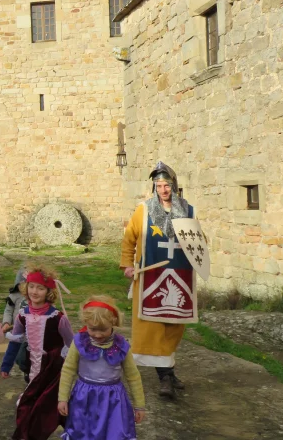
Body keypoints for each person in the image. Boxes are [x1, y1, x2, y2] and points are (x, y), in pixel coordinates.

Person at [120, 161, 196, 399]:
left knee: (173, 328)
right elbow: (129, 239)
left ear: (174, 186)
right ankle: (164, 378)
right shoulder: (144, 210)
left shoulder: (188, 210)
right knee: (152, 329)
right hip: (150, 277)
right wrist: (127, 265)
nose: (163, 189)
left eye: (167, 185)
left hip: (179, 275)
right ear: (154, 186)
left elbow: (197, 240)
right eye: (159, 185)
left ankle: (170, 372)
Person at [0, 264, 74, 440]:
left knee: (48, 405)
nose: (34, 291)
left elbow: (70, 343)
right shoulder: (22, 315)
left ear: (48, 291)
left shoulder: (57, 318)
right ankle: (29, 432)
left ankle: (48, 430)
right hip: (32, 365)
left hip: (52, 369)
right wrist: (6, 361)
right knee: (29, 402)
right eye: (31, 286)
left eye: (40, 288)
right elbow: (17, 336)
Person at [58, 295, 145, 439]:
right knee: (82, 433)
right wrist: (62, 398)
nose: (98, 334)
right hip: (84, 398)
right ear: (86, 323)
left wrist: (139, 405)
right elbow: (68, 370)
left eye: (103, 329)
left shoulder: (121, 345)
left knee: (115, 433)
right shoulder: (79, 342)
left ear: (113, 322)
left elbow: (133, 376)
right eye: (92, 329)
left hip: (114, 400)